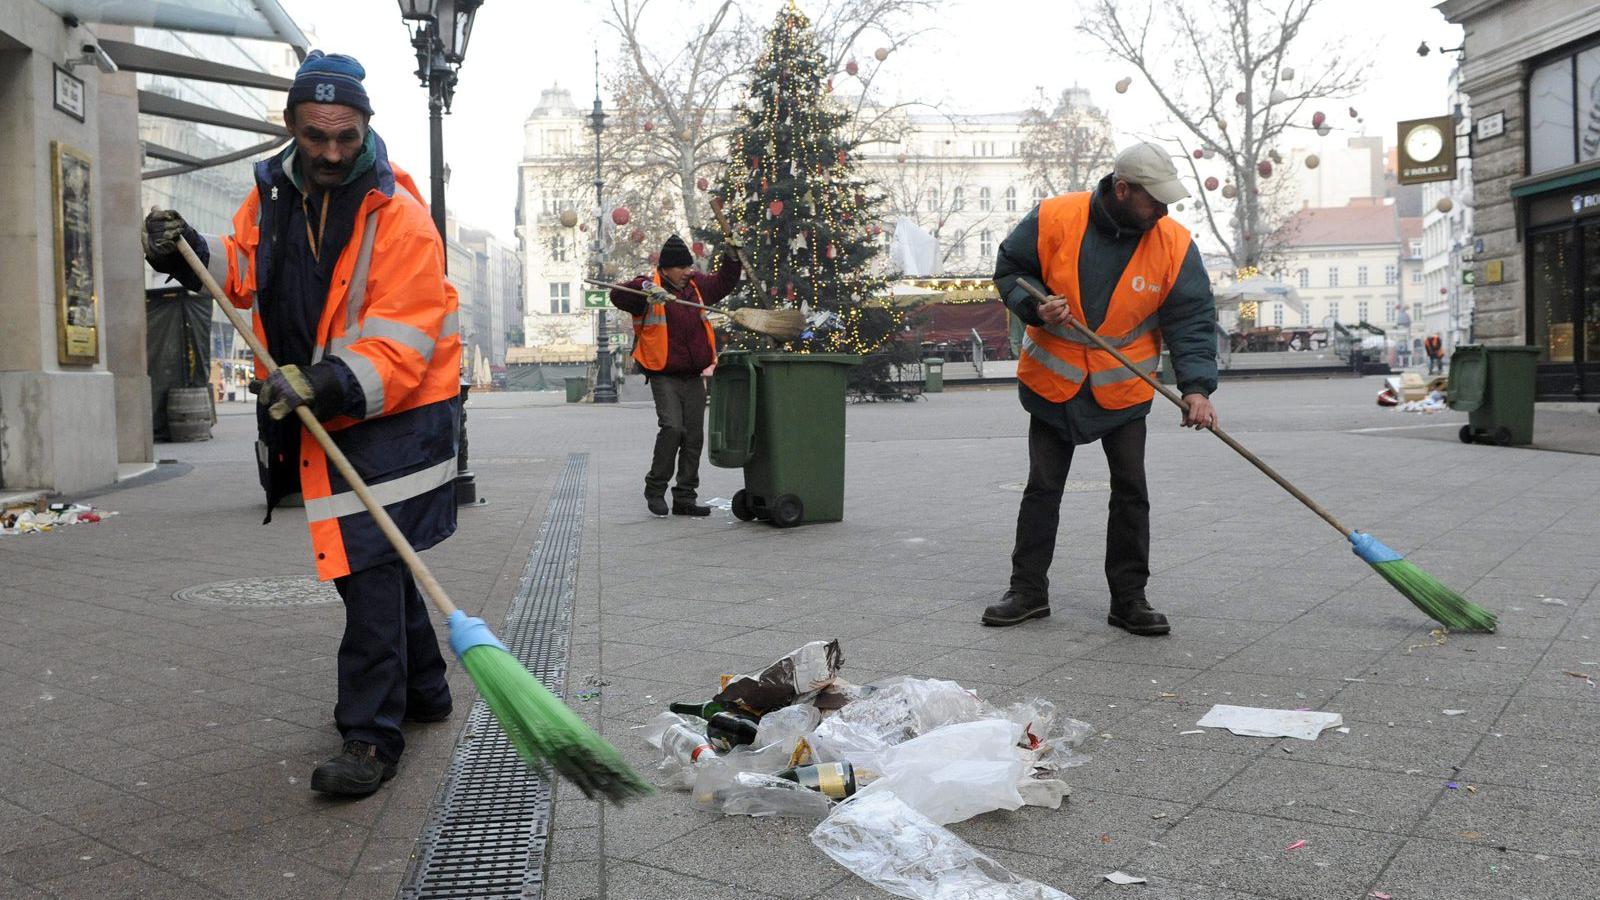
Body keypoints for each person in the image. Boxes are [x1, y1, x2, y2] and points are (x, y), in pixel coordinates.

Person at [142, 51, 460, 797]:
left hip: (395, 414)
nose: (329, 152)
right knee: (380, 561)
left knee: (365, 568)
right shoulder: (273, 195)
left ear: (365, 129)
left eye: (344, 136)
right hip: (321, 404)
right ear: (290, 127)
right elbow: (243, 265)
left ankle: (371, 736)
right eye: (315, 135)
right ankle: (425, 689)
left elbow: (403, 337)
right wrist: (189, 249)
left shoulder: (401, 219)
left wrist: (327, 380)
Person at [983, 142, 1219, 637]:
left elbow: (1192, 318)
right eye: (1153, 199)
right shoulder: (1054, 217)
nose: (1162, 210)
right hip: (1054, 381)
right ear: (1122, 187)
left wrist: (1197, 388)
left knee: (1131, 490)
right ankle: (1027, 592)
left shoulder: (1173, 243)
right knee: (1042, 488)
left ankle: (1129, 599)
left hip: (1125, 387)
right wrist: (1035, 306)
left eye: (1167, 201)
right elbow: (1010, 270)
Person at [610, 235, 741, 517]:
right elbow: (617, 293)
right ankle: (655, 489)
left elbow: (724, 282)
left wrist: (732, 256)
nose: (686, 272)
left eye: (688, 266)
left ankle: (685, 497)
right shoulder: (648, 288)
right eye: (681, 268)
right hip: (664, 374)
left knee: (693, 437)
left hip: (694, 375)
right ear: (666, 269)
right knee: (672, 428)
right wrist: (645, 288)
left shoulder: (697, 286)